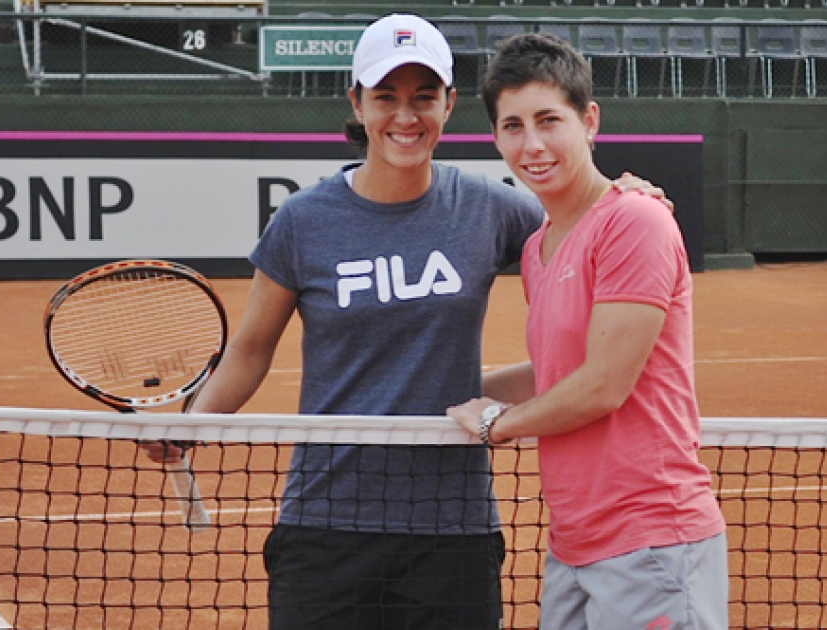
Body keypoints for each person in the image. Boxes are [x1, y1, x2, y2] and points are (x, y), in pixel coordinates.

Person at [143, 15, 670, 630]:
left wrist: (623, 196)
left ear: (448, 104)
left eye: (424, 97)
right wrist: (194, 427)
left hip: (452, 525)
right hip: (326, 518)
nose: (405, 116)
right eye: (385, 97)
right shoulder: (303, 221)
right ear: (357, 104)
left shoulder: (493, 209)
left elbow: (588, 236)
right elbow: (252, 350)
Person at [447, 33, 728, 630]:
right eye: (513, 127)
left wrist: (496, 423)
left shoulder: (634, 221)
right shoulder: (537, 247)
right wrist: (456, 392)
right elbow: (556, 372)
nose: (534, 144)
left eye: (550, 120)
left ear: (589, 119)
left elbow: (602, 385)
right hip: (573, 545)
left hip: (652, 542)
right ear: (495, 138)